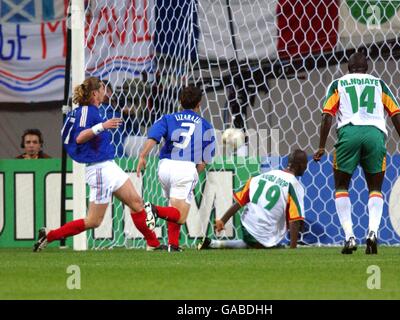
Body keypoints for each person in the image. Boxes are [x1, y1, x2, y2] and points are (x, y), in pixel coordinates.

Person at [33, 77, 160, 252]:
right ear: (95, 93)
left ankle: (153, 244)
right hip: (98, 169)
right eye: (102, 89)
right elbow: (79, 137)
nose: (105, 91)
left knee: (137, 203)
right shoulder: (86, 111)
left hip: (108, 166)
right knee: (94, 221)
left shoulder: (92, 110)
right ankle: (49, 235)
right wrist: (102, 126)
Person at [313, 52, 400, 255]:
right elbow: (396, 113)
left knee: (341, 186)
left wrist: (322, 146)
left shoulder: (338, 84)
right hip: (375, 134)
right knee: (375, 188)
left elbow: (326, 116)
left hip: (349, 133)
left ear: (348, 67)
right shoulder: (379, 84)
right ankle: (373, 233)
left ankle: (350, 237)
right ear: (367, 68)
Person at [137, 85, 216, 252]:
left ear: (180, 101)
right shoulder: (206, 125)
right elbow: (206, 158)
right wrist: (195, 172)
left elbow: (153, 137)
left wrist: (143, 155)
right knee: (180, 216)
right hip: (185, 168)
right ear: (199, 104)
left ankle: (173, 245)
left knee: (174, 206)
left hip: (164, 166)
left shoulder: (168, 118)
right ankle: (153, 209)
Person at [197, 149, 307, 250]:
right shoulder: (294, 185)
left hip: (246, 227)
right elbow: (295, 221)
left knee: (253, 244)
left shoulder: (262, 176)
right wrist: (293, 248)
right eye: (306, 164)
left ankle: (213, 243)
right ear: (300, 165)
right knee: (270, 248)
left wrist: (222, 221)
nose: (306, 167)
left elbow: (238, 203)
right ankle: (216, 244)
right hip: (265, 233)